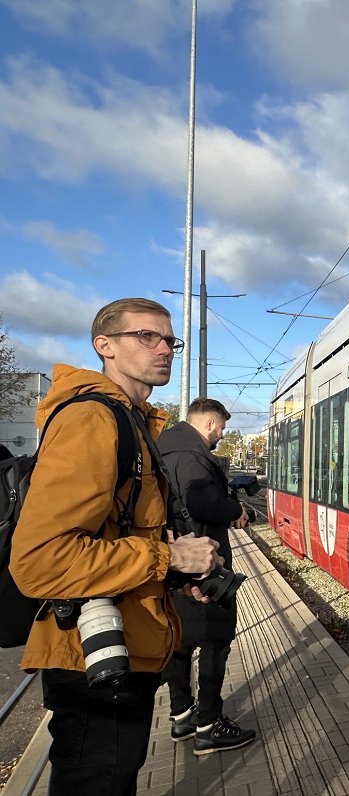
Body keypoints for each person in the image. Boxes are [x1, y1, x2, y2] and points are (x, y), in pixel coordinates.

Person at [10, 297, 222, 795]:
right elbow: (41, 561)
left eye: (170, 339)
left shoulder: (133, 421)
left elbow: (113, 536)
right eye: (146, 337)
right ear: (104, 346)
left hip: (127, 646)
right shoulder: (92, 420)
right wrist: (169, 557)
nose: (165, 348)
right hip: (94, 661)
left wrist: (172, 577)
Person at [158, 397, 257, 754]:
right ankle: (208, 725)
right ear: (211, 424)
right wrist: (234, 508)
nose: (222, 435)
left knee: (181, 642)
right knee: (216, 639)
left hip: (177, 566)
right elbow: (203, 503)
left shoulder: (168, 448)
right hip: (202, 565)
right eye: (223, 428)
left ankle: (182, 715)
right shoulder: (193, 456)